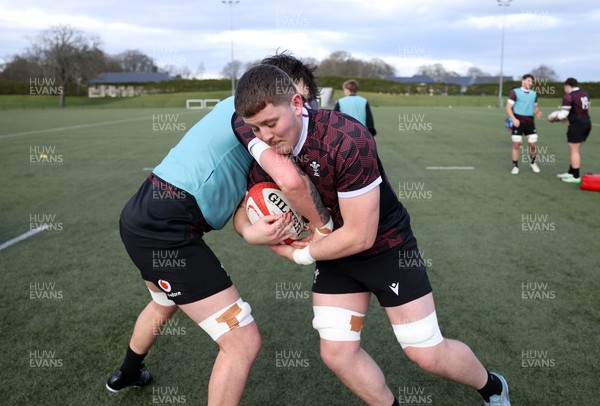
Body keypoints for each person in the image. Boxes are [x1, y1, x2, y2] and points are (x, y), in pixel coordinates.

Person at [232, 64, 510, 406]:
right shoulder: (258, 142)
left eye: (271, 124)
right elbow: (247, 202)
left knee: (426, 351)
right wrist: (250, 230)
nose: (265, 136)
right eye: (254, 128)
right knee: (337, 352)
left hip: (385, 248)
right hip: (334, 254)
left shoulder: (346, 139)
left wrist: (302, 253)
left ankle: (493, 387)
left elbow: (361, 236)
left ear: (296, 103)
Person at [105, 59, 331, 406]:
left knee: (163, 303)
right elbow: (291, 182)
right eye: (291, 93)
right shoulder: (248, 116)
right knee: (242, 340)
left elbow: (244, 206)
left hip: (147, 216)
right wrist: (323, 230)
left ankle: (127, 373)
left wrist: (254, 233)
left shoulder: (258, 130)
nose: (297, 108)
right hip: (165, 228)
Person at [550, 77, 592, 184]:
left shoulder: (568, 96)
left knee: (574, 150)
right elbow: (588, 108)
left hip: (577, 125)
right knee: (574, 149)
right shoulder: (584, 93)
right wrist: (570, 117)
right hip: (587, 123)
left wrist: (553, 118)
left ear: (568, 85)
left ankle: (576, 176)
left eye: (565, 86)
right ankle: (570, 172)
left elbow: (563, 114)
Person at [506, 74, 543, 175]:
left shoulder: (534, 94)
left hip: (530, 122)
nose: (530, 83)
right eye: (528, 80)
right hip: (518, 121)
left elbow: (535, 106)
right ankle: (515, 166)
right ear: (523, 81)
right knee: (517, 144)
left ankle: (533, 162)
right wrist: (514, 119)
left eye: (531, 81)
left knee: (533, 144)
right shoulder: (515, 92)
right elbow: (508, 107)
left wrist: (537, 112)